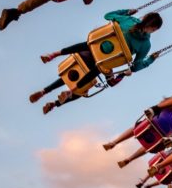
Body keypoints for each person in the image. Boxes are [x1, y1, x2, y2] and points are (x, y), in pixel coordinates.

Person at [29, 10, 163, 114]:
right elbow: (136, 66)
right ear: (154, 28)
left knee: (87, 47)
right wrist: (150, 60)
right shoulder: (145, 45)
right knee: (96, 72)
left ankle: (53, 56)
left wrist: (127, 11)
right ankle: (67, 94)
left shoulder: (127, 19)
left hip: (86, 52)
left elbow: (108, 15)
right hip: (100, 63)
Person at [103, 107, 172, 168]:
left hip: (146, 129)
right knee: (150, 146)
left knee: (136, 127)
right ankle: (129, 159)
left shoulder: (163, 108)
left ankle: (114, 142)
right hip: (155, 140)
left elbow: (150, 115)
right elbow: (169, 135)